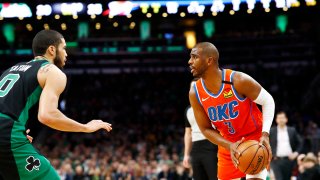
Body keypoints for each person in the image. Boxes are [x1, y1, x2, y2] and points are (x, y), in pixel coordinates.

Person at [0, 29, 112, 180]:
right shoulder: (52, 71)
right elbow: (47, 115)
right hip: (7, 134)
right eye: (64, 48)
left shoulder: (10, 70)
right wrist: (86, 127)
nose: (66, 53)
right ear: (52, 49)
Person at [188, 42, 275, 179]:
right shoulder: (195, 92)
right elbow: (205, 129)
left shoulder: (238, 80)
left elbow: (268, 101)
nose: (190, 61)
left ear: (209, 60)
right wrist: (229, 145)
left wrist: (265, 134)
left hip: (253, 138)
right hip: (228, 143)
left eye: (194, 57)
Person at [183, 103, 218, 180]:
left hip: (211, 145)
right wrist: (186, 155)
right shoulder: (188, 110)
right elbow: (188, 133)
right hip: (195, 148)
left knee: (215, 177)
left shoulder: (210, 104)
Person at [269, 111, 303, 180]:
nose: (281, 119)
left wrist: (296, 153)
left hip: (289, 160)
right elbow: (266, 143)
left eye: (282, 117)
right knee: (279, 178)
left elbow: (301, 142)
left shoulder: (292, 130)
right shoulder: (271, 131)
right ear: (276, 120)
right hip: (275, 160)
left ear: (286, 119)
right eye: (279, 118)